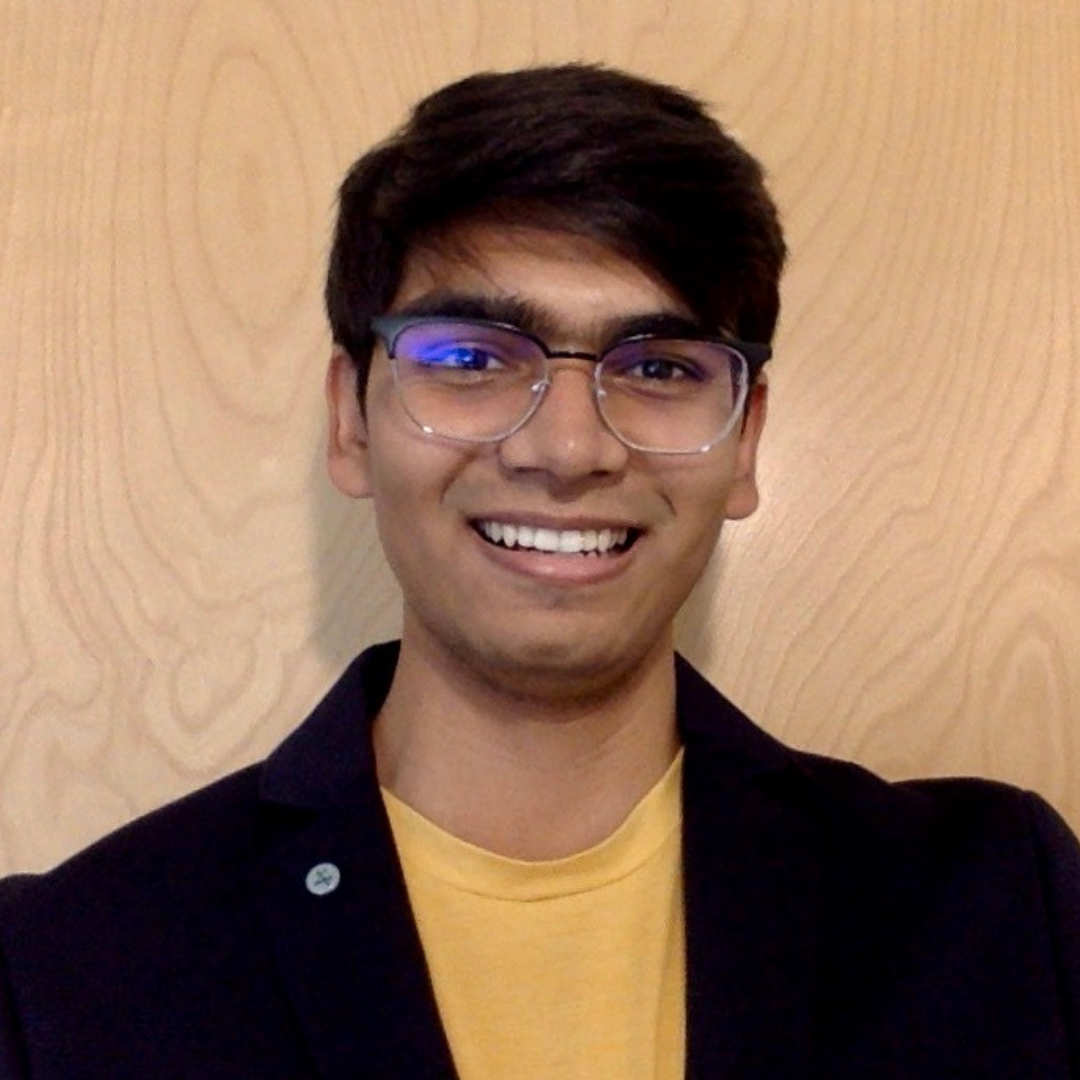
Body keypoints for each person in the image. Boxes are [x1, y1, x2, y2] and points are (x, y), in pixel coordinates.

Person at [1, 63, 1078, 1080]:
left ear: (746, 441)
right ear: (350, 421)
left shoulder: (1001, 909)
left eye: (660, 367)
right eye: (470, 357)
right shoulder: (67, 971)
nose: (567, 449)